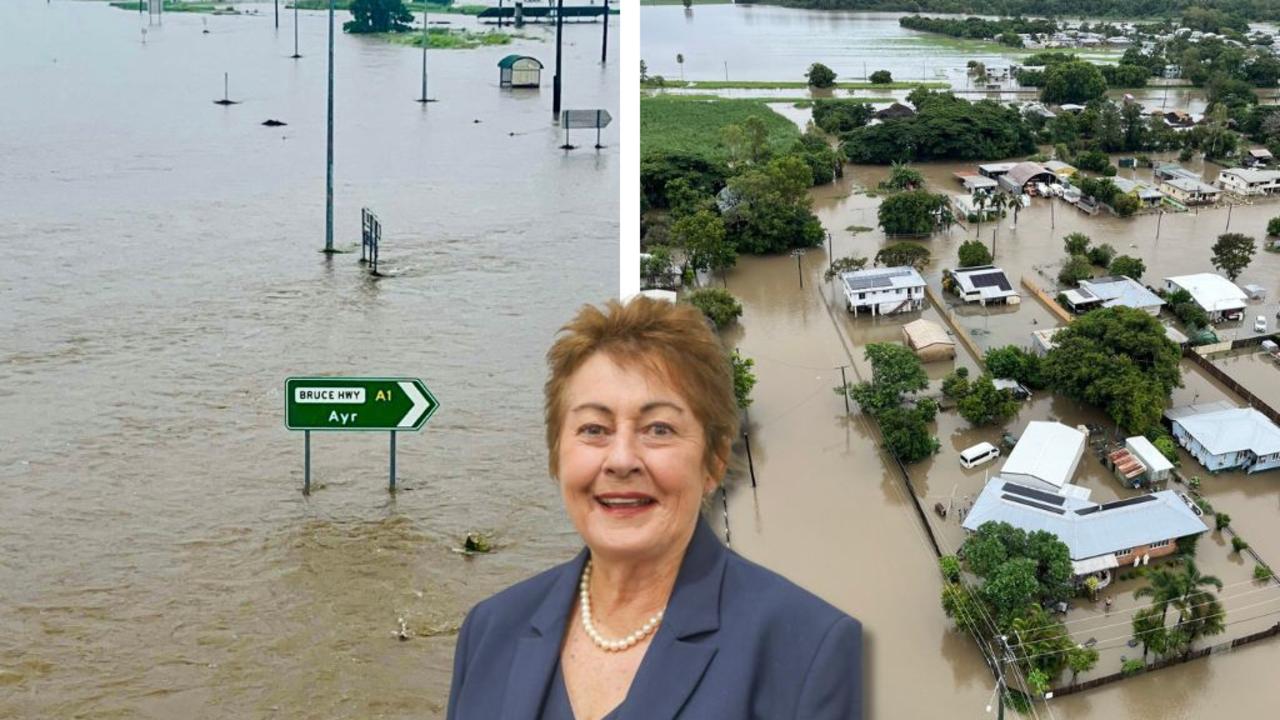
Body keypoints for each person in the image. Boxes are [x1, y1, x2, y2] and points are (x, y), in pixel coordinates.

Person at [447, 297, 863, 719]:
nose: (621, 459)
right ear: (557, 454)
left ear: (714, 460)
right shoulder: (489, 630)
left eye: (658, 429)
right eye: (594, 429)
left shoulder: (807, 650)